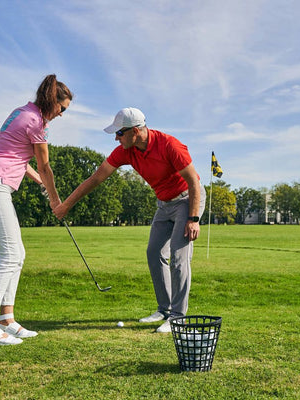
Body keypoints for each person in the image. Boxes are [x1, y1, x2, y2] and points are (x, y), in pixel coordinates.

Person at [53, 107, 205, 333]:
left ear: (135, 131)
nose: (116, 138)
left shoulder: (170, 145)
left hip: (186, 200)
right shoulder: (126, 150)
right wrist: (66, 204)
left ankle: (178, 317)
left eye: (119, 133)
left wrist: (193, 219)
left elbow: (193, 181)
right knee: (153, 253)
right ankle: (164, 309)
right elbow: (96, 178)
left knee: (178, 256)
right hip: (163, 204)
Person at [0, 74, 73, 345]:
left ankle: (7, 320)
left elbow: (18, 157)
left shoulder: (22, 112)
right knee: (10, 255)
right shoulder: (36, 122)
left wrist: (41, 182)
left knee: (18, 253)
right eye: (62, 108)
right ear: (53, 102)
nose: (62, 114)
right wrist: (55, 201)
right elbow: (45, 165)